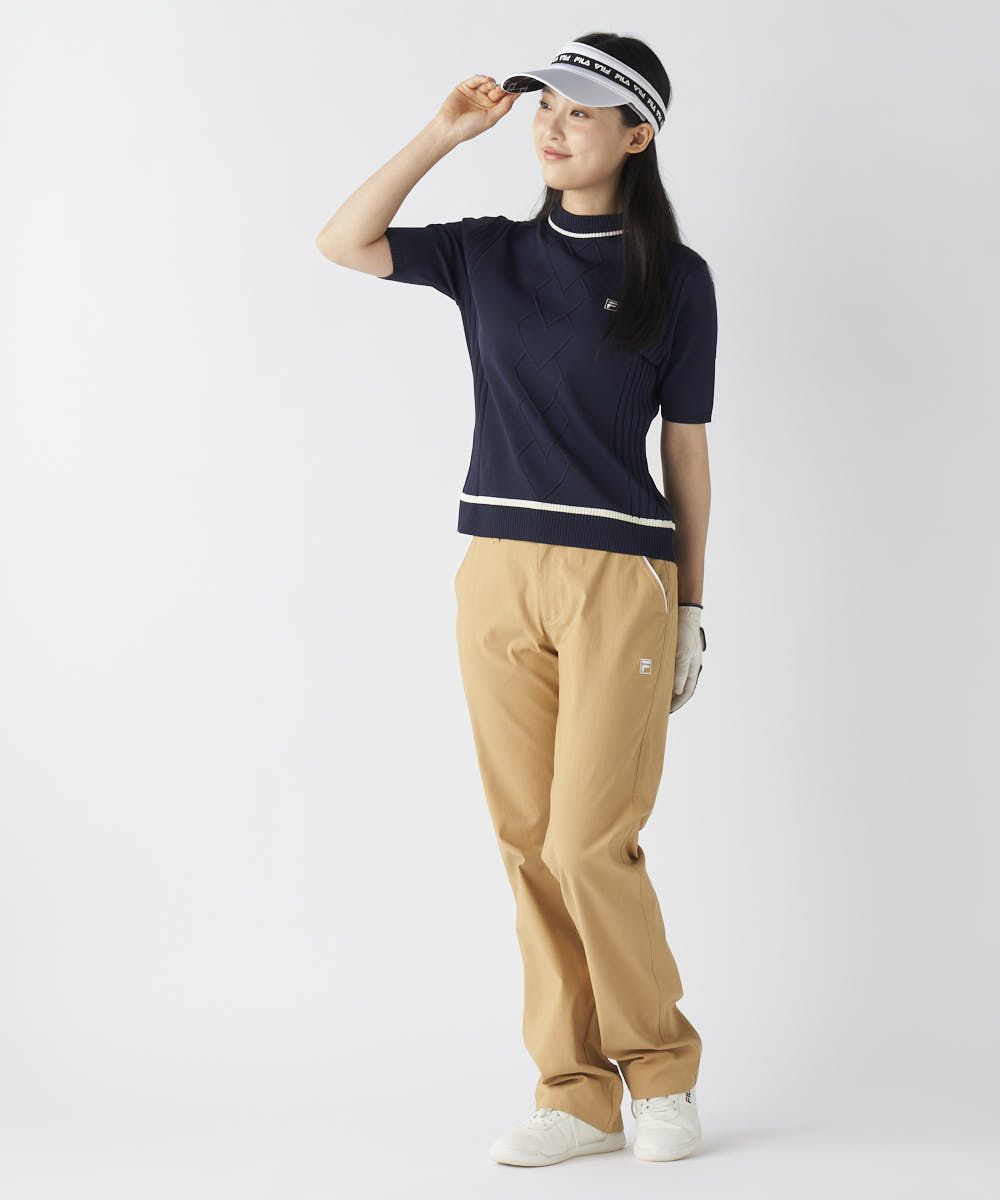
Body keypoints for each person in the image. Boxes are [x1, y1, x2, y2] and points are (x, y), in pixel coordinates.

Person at [316, 31, 717, 1168]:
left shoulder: (676, 279)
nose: (552, 124)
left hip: (620, 577)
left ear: (636, 136)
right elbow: (343, 240)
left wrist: (691, 606)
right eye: (548, 105)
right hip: (496, 568)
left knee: (591, 841)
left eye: (582, 111)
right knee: (528, 843)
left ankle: (659, 1073)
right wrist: (444, 134)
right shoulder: (487, 252)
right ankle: (574, 1094)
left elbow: (686, 451)